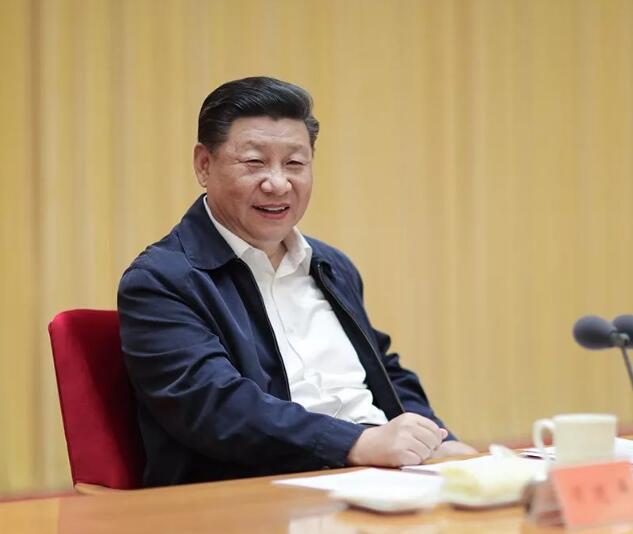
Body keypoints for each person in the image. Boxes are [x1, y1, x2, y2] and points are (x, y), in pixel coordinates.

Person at [118, 76, 476, 487]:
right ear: (204, 165)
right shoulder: (161, 280)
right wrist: (355, 442)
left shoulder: (331, 266)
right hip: (261, 490)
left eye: (294, 164)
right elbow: (214, 406)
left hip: (380, 476)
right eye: (254, 162)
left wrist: (436, 440)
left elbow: (384, 371)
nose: (278, 183)